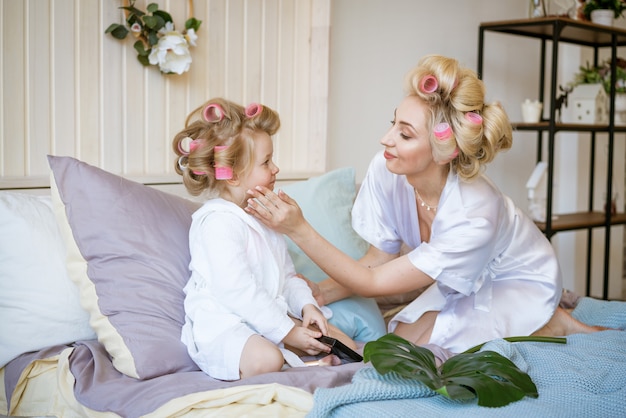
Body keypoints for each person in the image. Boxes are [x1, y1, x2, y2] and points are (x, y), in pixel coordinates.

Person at [245, 55, 605, 356]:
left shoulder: (474, 213)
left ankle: (548, 318)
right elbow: (377, 260)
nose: (385, 139)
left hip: (519, 277)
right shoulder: (388, 170)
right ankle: (545, 321)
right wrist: (319, 291)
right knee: (396, 346)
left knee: (409, 355)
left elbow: (371, 282)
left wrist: (297, 228)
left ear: (442, 150)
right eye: (393, 124)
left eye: (405, 134)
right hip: (463, 276)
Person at [173, 98, 356, 381]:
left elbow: (287, 277)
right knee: (265, 358)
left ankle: (297, 361)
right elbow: (239, 291)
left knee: (345, 344)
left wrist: (307, 306)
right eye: (266, 162)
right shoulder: (217, 222)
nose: (276, 169)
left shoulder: (264, 217)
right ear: (232, 176)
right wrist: (288, 331)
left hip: (268, 319)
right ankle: (293, 365)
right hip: (228, 324)